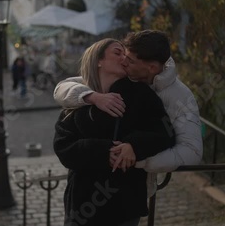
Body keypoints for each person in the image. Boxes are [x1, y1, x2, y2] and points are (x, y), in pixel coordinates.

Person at [53, 30, 203, 196]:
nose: (124, 61)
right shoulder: (113, 82)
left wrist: (135, 155)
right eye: (120, 54)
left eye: (129, 59)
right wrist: (91, 96)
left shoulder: (179, 96)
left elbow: (191, 150)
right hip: (82, 198)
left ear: (151, 67)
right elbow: (65, 87)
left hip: (128, 195)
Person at [54, 38, 175, 226]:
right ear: (98, 61)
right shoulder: (78, 99)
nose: (124, 59)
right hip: (82, 206)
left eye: (125, 55)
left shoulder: (141, 95)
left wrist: (134, 146)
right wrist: (104, 151)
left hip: (124, 204)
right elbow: (63, 147)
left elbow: (165, 132)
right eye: (117, 53)